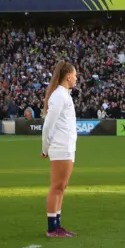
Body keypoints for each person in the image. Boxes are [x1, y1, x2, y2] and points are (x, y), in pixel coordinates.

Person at [42, 61, 78, 237]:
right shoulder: (59, 96)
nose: (76, 78)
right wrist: (45, 147)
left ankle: (56, 225)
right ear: (68, 76)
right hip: (61, 147)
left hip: (67, 146)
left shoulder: (64, 95)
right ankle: (52, 227)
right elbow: (48, 124)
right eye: (75, 75)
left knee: (61, 187)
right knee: (57, 186)